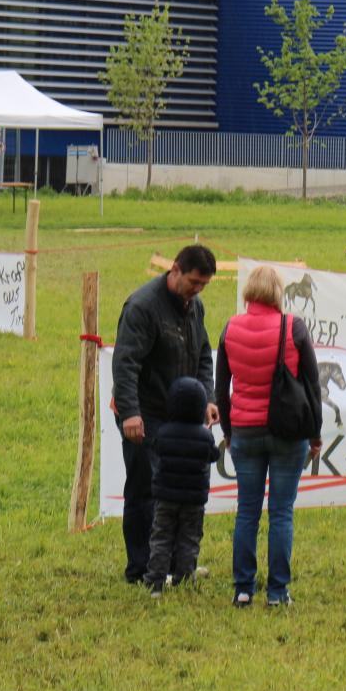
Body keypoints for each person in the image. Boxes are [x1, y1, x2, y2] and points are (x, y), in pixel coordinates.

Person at [215, 265, 322, 607]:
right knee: (281, 512)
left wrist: (229, 432)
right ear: (278, 292)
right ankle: (277, 592)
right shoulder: (294, 328)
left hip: (245, 432)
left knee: (247, 511)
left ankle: (243, 589)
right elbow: (313, 386)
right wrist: (315, 434)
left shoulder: (230, 328)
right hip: (288, 432)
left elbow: (221, 388)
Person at [111, 244, 218, 586]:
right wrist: (130, 413)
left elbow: (203, 354)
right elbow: (125, 363)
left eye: (203, 285)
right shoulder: (142, 307)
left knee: (176, 493)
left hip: (180, 418)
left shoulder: (194, 307)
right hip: (145, 414)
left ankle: (175, 565)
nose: (197, 290)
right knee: (145, 490)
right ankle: (141, 568)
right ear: (175, 270)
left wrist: (207, 397)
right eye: (194, 282)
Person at [143, 377, 219, 596]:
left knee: (161, 538)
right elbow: (214, 455)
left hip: (165, 498)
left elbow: (156, 448)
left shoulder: (163, 432)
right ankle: (184, 578)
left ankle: (155, 581)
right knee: (189, 539)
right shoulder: (205, 436)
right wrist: (207, 433)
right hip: (194, 501)